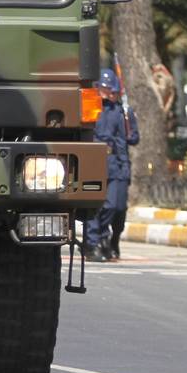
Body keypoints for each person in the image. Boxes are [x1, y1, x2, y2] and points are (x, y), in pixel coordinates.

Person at [83, 68, 139, 262]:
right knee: (97, 206)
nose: (111, 93)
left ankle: (111, 238)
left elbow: (132, 138)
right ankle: (94, 243)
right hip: (95, 160)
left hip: (118, 163)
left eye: (114, 90)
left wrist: (130, 131)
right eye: (108, 89)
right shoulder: (91, 106)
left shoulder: (123, 111)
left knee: (117, 208)